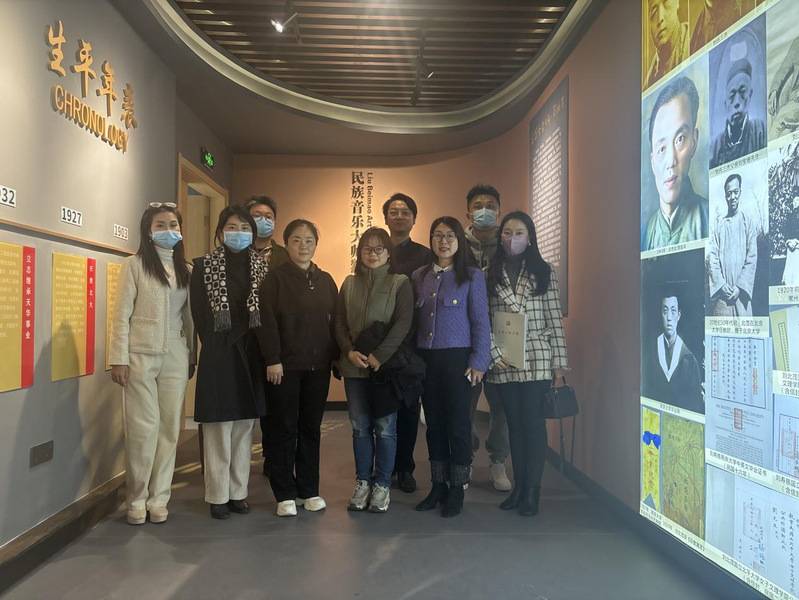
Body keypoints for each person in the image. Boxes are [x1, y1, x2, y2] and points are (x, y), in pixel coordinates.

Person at [110, 203, 195, 526]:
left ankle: (159, 498)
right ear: (148, 230)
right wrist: (118, 358)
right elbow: (121, 315)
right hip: (139, 354)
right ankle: (136, 499)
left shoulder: (186, 269)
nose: (168, 230)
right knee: (142, 429)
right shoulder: (133, 265)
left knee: (170, 428)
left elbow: (190, 318)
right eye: (160, 225)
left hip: (176, 352)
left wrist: (191, 355)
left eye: (173, 224)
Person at [485, 211, 568, 517]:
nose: (512, 238)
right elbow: (483, 319)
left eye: (519, 232)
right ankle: (518, 488)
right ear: (500, 237)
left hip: (537, 356)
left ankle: (532, 490)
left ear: (530, 237)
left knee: (533, 423)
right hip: (504, 358)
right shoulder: (488, 273)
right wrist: (494, 353)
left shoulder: (545, 271)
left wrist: (559, 361)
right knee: (514, 424)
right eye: (507, 232)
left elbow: (554, 317)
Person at [190, 205, 268, 520]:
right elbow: (198, 314)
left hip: (251, 352)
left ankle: (238, 493)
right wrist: (215, 343)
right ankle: (217, 495)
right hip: (218, 352)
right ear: (220, 231)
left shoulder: (263, 268)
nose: (239, 233)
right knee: (218, 427)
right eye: (232, 227)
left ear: (253, 233)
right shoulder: (203, 266)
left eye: (245, 228)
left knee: (244, 426)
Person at [412, 217, 491, 518]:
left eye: (450, 236)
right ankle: (437, 485)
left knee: (458, 425)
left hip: (459, 361)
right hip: (427, 360)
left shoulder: (471, 275)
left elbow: (481, 322)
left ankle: (457, 487)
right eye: (437, 235)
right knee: (434, 426)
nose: (443, 242)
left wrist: (479, 361)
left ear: (459, 240)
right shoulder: (419, 275)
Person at [259, 219, 338, 517]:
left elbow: (336, 321)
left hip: (318, 368)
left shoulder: (325, 280)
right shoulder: (275, 279)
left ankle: (309, 490)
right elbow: (266, 322)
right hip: (284, 367)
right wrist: (272, 358)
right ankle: (284, 493)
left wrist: (335, 357)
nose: (303, 246)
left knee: (311, 428)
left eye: (308, 241)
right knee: (283, 429)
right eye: (296, 240)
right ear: (286, 243)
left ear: (316, 244)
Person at [335, 227, 414, 513]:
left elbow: (403, 323)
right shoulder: (349, 284)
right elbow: (339, 323)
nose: (373, 254)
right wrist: (348, 351)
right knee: (359, 427)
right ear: (359, 253)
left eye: (379, 248)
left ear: (388, 254)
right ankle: (362, 483)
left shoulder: (399, 282)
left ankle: (382, 485)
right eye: (366, 249)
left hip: (385, 368)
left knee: (385, 428)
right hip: (354, 367)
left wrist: (379, 355)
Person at [463, 184, 511, 492]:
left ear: (499, 211)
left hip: (505, 338)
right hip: (467, 339)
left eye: (490, 205)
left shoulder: (510, 246)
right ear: (468, 213)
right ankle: (465, 458)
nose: (485, 210)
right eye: (478, 205)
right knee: (465, 405)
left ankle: (498, 460)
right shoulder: (457, 246)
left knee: (502, 406)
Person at [382, 192, 431, 493]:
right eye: (394, 211)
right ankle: (384, 467)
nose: (399, 216)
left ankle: (405, 468)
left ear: (414, 218)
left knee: (409, 408)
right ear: (385, 217)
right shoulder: (376, 249)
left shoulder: (425, 255)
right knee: (383, 409)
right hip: (381, 342)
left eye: (405, 212)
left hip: (413, 343)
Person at [245, 194, 289, 479]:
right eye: (257, 215)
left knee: (276, 405)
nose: (263, 220)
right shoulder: (235, 253)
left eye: (268, 216)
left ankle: (272, 457)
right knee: (247, 401)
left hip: (277, 341)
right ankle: (237, 462)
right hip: (245, 340)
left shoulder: (285, 256)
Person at [643, 76, 709, 251]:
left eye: (680, 139)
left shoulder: (709, 216)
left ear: (694, 141)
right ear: (652, 163)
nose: (671, 161)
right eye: (662, 149)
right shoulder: (647, 232)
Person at [642, 292, 703, 414]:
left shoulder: (689, 360)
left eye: (673, 311)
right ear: (661, 313)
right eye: (665, 311)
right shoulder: (651, 353)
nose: (669, 317)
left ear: (679, 315)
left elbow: (695, 404)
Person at [707, 173, 758, 316]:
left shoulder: (748, 222)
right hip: (723, 298)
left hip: (741, 297)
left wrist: (740, 288)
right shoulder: (719, 226)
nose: (733, 197)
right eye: (729, 193)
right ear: (725, 196)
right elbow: (713, 260)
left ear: (740, 192)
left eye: (735, 192)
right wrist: (721, 285)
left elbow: (752, 257)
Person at [710, 58, 767, 169]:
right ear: (725, 103)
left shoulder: (760, 131)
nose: (737, 102)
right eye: (732, 96)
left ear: (750, 95)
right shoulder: (715, 147)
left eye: (742, 92)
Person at [644, 0, 689, 90]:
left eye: (666, 2)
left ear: (677, 2)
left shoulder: (694, 39)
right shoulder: (649, 82)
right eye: (654, 12)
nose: (660, 18)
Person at [769, 37, 799, 138]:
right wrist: (773, 92)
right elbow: (784, 68)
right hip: (793, 98)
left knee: (779, 120)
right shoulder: (797, 42)